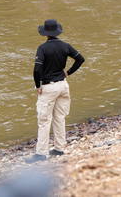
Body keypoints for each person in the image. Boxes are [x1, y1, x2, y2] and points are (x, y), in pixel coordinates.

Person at [26, 20, 84, 164]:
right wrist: (68, 73)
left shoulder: (42, 48)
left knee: (44, 121)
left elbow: (37, 69)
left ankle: (41, 153)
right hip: (63, 86)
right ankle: (59, 148)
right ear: (57, 32)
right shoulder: (65, 46)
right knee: (60, 117)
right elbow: (80, 59)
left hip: (48, 87)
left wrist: (37, 85)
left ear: (45, 33)